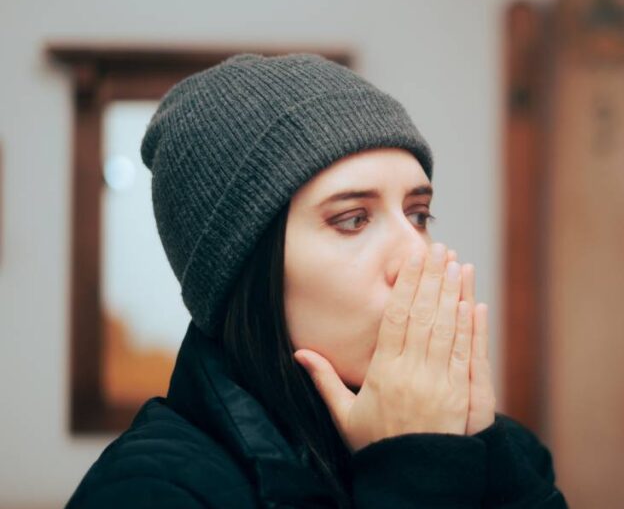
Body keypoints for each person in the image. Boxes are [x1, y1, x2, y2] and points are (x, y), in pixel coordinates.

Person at [66, 53, 568, 508]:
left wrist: (488, 456)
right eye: (352, 219)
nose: (418, 255)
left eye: (418, 214)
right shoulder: (148, 490)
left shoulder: (507, 451)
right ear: (248, 273)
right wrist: (416, 475)